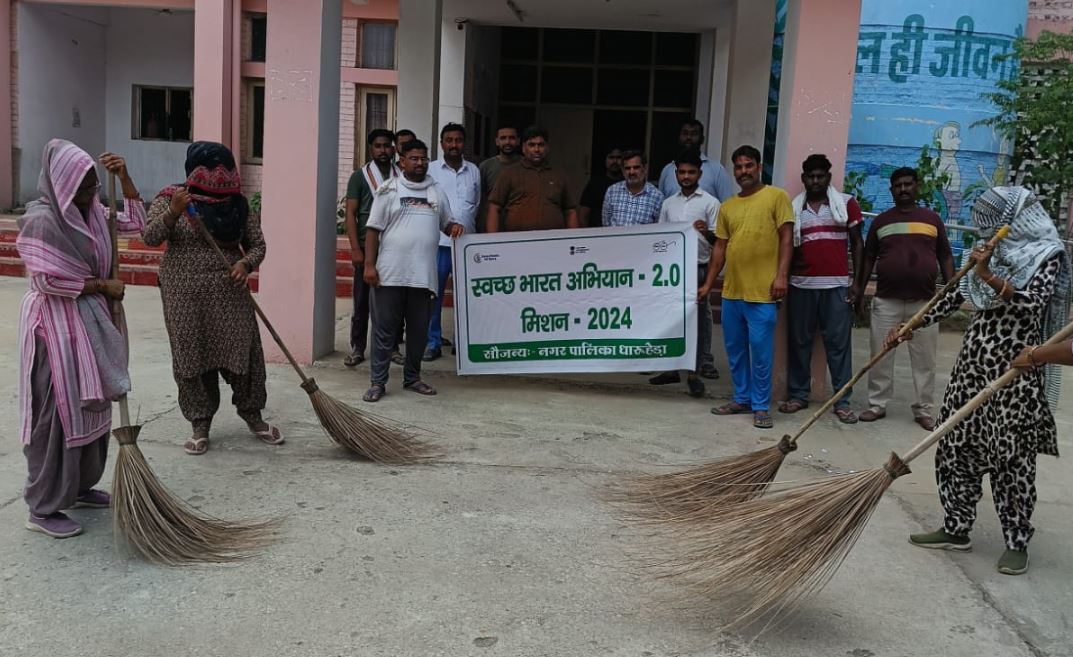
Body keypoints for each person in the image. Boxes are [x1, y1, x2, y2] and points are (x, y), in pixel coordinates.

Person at [895, 187, 1070, 576]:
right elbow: (954, 293)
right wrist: (911, 324)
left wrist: (988, 275)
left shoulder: (1047, 255)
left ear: (1013, 219)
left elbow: (1031, 303)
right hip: (971, 366)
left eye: (991, 224)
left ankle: (1017, 542)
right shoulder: (984, 252)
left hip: (1014, 370)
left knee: (1011, 458)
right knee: (955, 445)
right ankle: (956, 527)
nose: (985, 232)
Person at [16, 140, 146, 538]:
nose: (91, 194)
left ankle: (78, 486)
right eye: (84, 188)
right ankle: (42, 506)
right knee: (56, 414)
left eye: (93, 186)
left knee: (92, 408)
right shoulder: (43, 220)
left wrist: (124, 179)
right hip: (53, 331)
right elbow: (46, 279)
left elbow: (138, 225)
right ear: (63, 185)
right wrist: (102, 286)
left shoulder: (95, 214)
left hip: (91, 327)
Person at [142, 142, 282, 456]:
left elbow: (257, 245)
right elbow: (150, 237)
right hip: (183, 294)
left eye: (224, 167)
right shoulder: (171, 198)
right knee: (192, 355)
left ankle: (253, 415)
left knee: (244, 354)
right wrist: (173, 213)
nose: (217, 175)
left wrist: (245, 264)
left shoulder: (238, 205)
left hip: (229, 293)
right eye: (209, 167)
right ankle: (199, 422)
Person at [697, 145, 794, 429]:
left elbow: (787, 240)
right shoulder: (728, 206)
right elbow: (720, 248)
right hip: (732, 292)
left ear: (759, 167)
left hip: (763, 293)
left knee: (761, 353)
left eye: (748, 166)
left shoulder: (777, 197)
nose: (743, 172)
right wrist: (708, 284)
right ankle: (742, 398)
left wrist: (781, 276)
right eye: (738, 167)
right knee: (735, 350)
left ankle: (761, 406)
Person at [362, 139, 464, 402]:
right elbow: (373, 230)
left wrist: (453, 227)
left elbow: (446, 224)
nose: (419, 163)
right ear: (402, 161)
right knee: (384, 332)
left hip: (423, 277)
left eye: (423, 158)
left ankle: (412, 378)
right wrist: (370, 265)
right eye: (414, 158)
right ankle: (377, 382)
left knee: (418, 332)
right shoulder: (388, 189)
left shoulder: (436, 192)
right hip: (389, 274)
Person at [852, 167, 954, 430]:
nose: (903, 189)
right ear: (891, 190)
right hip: (887, 301)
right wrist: (859, 290)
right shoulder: (881, 222)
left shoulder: (932, 220)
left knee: (924, 359)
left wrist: (952, 288)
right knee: (881, 354)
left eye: (908, 184)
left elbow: (944, 255)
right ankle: (877, 404)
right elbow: (868, 258)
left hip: (925, 303)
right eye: (898, 186)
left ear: (917, 187)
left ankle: (923, 410)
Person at [778, 154, 864, 424]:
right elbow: (786, 248)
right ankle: (798, 395)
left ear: (829, 177)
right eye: (811, 176)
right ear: (804, 179)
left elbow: (858, 244)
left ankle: (842, 401)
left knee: (838, 345)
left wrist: (857, 283)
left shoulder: (846, 204)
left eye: (821, 176)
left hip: (837, 287)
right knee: (799, 343)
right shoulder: (793, 208)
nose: (816, 181)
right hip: (801, 286)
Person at [650, 147, 721, 396]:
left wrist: (706, 232)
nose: (687, 176)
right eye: (682, 172)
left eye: (691, 172)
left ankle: (694, 371)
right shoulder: (668, 203)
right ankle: (671, 368)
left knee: (698, 320)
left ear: (699, 173)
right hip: (672, 270)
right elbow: (660, 236)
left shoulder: (711, 203)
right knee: (670, 318)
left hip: (698, 267)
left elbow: (719, 242)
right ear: (676, 174)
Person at [343, 128, 399, 367]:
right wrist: (355, 249)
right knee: (362, 300)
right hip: (368, 245)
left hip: (394, 246)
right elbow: (351, 214)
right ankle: (358, 347)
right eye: (378, 146)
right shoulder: (360, 176)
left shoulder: (401, 174)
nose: (383, 150)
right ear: (370, 148)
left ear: (394, 148)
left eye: (387, 145)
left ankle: (393, 347)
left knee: (394, 301)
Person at [426, 123, 480, 361]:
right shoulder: (430, 170)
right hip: (438, 243)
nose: (454, 145)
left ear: (463, 143)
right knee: (433, 295)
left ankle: (462, 342)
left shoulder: (474, 171)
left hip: (467, 245)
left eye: (458, 140)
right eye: (449, 140)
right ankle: (433, 342)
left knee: (465, 297)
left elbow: (476, 204)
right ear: (441, 143)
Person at [486, 125, 580, 232]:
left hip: (552, 242)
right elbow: (494, 207)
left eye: (541, 145)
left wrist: (573, 241)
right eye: (531, 145)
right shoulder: (509, 173)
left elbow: (570, 211)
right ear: (523, 148)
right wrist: (492, 241)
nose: (536, 149)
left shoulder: (560, 175)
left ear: (547, 147)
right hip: (516, 242)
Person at [656, 119, 735, 202]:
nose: (689, 137)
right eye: (685, 133)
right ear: (679, 137)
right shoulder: (668, 170)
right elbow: (661, 205)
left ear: (702, 139)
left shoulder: (717, 170)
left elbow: (727, 205)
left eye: (694, 134)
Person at [602, 150, 663, 227]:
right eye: (627, 168)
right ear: (623, 171)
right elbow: (605, 225)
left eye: (636, 167)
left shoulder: (657, 196)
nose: (632, 172)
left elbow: (658, 229)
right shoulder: (612, 191)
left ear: (645, 168)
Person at [478, 124, 520, 232]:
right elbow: (479, 200)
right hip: (492, 229)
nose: (507, 142)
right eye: (503, 138)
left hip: (518, 229)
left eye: (511, 138)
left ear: (518, 141)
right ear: (497, 141)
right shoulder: (486, 166)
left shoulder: (526, 166)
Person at [578, 147, 623, 228]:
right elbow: (583, 213)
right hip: (596, 232)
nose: (615, 161)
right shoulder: (595, 183)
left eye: (618, 158)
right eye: (611, 157)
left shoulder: (628, 184)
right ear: (605, 160)